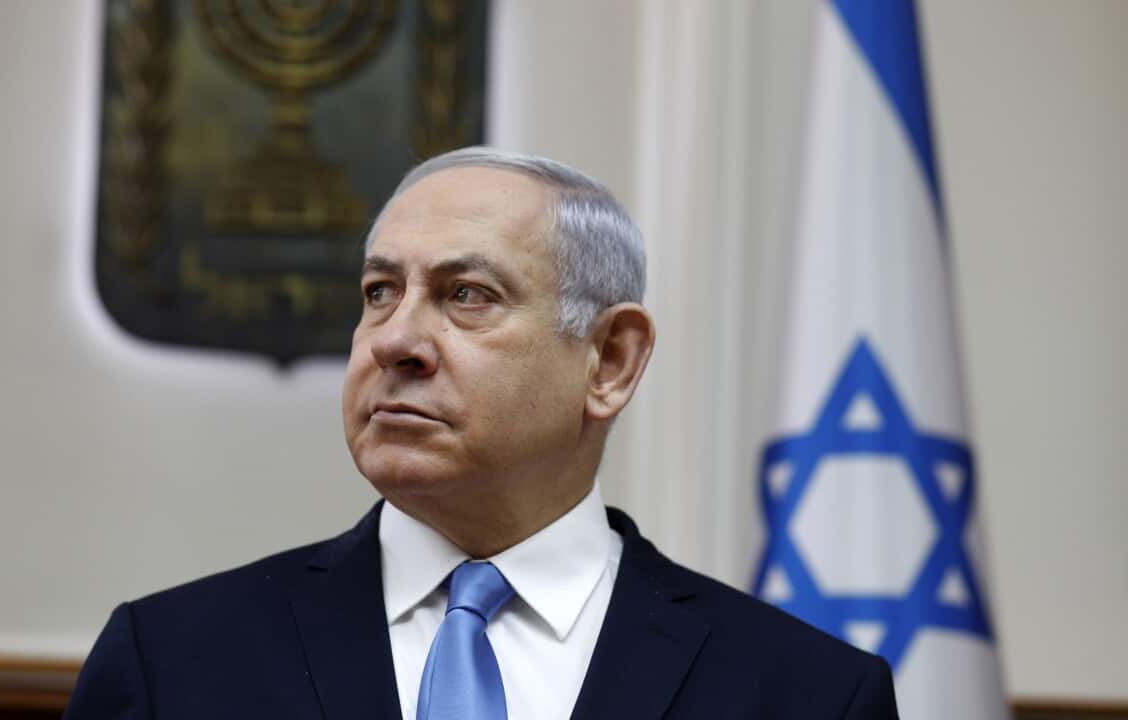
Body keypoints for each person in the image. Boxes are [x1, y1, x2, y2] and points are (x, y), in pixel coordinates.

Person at [64, 147, 899, 719]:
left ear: (609, 359)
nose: (395, 341)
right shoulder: (174, 662)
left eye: (467, 295)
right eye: (380, 291)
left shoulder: (804, 695)